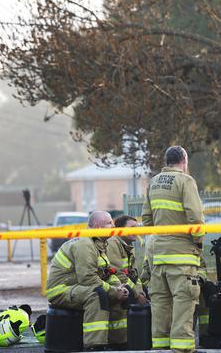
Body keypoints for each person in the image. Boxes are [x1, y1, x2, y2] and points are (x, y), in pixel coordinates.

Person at [142, 146, 204, 353]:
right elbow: (195, 216)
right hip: (182, 257)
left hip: (158, 258)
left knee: (160, 306)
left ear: (166, 161)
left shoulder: (153, 182)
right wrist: (198, 241)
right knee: (183, 304)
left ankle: (160, 348)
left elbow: (147, 220)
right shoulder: (186, 181)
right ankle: (181, 349)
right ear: (184, 160)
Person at [45, 211, 130, 350]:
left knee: (117, 295)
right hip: (61, 290)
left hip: (79, 287)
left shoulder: (99, 243)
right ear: (97, 227)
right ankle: (94, 346)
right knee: (97, 295)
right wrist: (114, 292)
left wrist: (119, 288)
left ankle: (118, 344)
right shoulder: (84, 244)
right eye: (109, 223)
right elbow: (88, 278)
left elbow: (108, 273)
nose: (113, 226)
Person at [105, 215, 147, 346]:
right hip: (112, 284)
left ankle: (132, 338)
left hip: (123, 283)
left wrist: (141, 292)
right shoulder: (112, 243)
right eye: (132, 227)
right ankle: (119, 341)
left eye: (137, 227)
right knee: (125, 298)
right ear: (119, 229)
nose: (136, 230)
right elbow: (118, 273)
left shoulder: (128, 246)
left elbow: (134, 275)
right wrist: (136, 294)